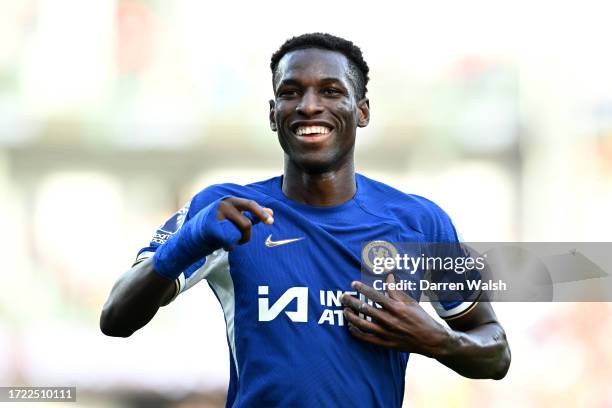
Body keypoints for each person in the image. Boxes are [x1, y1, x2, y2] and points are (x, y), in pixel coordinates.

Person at [100, 33, 511, 407]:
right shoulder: (226, 211)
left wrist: (435, 339)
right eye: (291, 92)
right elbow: (115, 319)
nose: (309, 105)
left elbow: (495, 353)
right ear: (274, 114)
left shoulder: (420, 222)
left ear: (362, 110)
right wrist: (184, 244)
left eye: (331, 91)